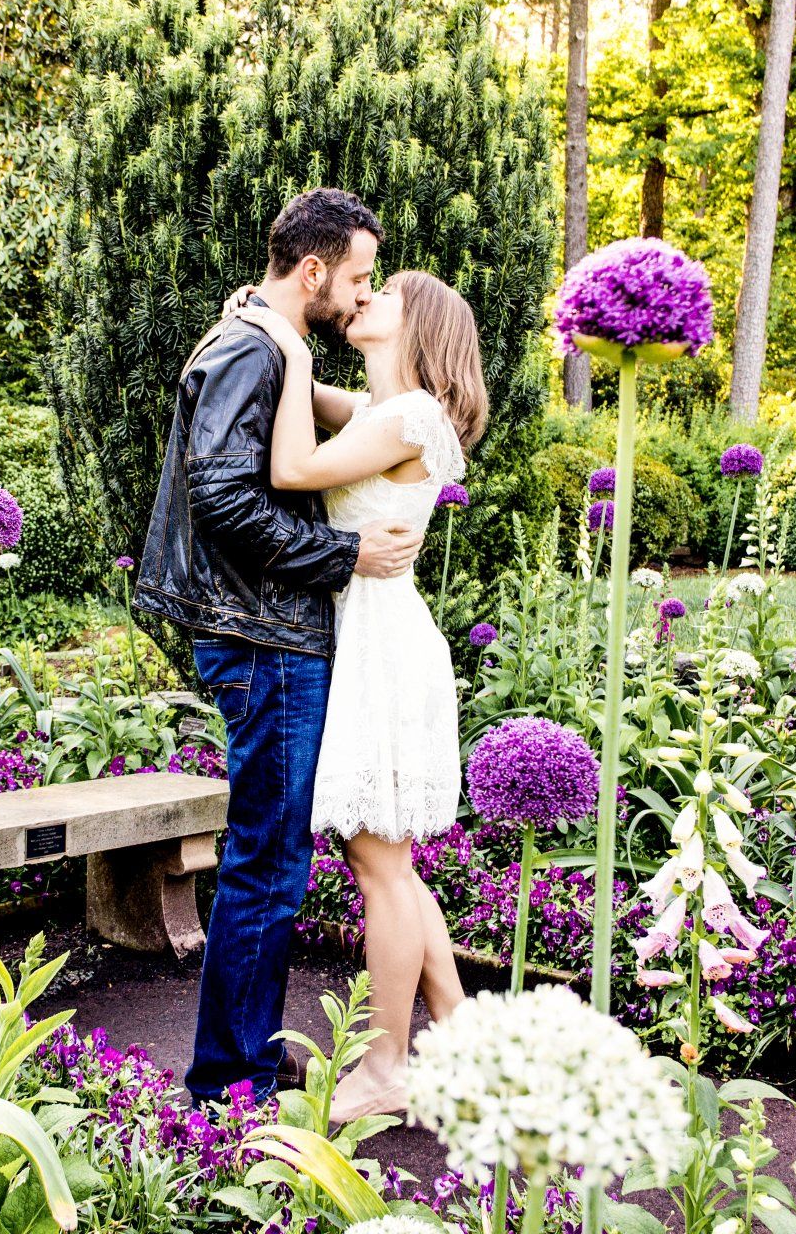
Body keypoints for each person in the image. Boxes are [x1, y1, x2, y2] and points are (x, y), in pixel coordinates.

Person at [134, 188, 425, 1105]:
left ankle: (243, 1057)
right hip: (261, 631)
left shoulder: (266, 346)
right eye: (357, 277)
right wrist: (347, 554)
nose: (358, 295)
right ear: (313, 272)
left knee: (269, 857)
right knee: (267, 861)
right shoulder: (251, 349)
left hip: (269, 626)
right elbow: (224, 498)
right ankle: (230, 1081)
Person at [231, 268, 486, 1122]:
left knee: (381, 866)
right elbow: (341, 410)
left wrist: (283, 338)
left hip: (378, 640)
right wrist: (298, 358)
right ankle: (455, 1038)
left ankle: (386, 1068)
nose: (364, 298)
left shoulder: (410, 418)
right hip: (378, 632)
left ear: (419, 327)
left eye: (387, 293)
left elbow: (295, 465)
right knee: (386, 861)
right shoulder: (396, 414)